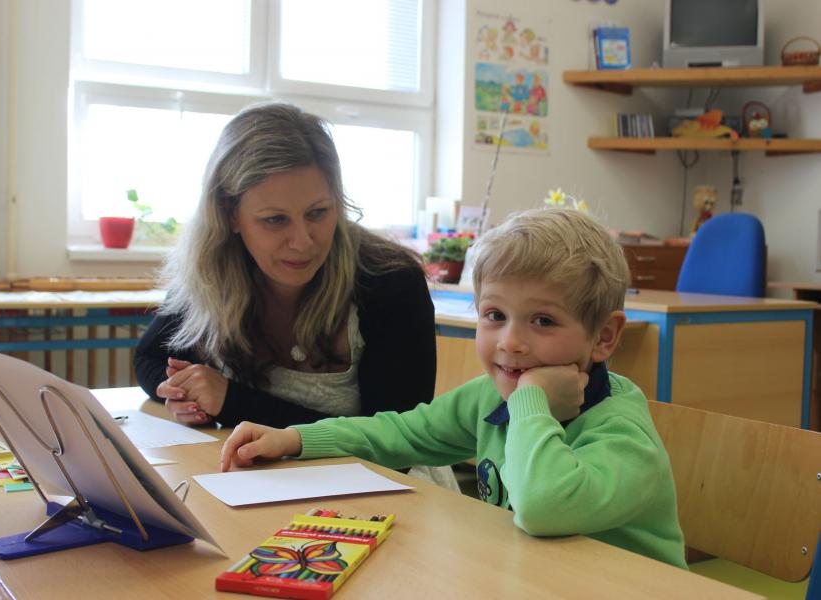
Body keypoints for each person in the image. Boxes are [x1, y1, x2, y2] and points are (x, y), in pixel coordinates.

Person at [218, 207, 688, 569]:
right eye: (494, 315)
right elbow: (400, 433)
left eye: (543, 321)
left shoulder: (621, 433)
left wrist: (531, 401)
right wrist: (295, 439)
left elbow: (543, 507)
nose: (510, 342)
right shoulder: (489, 397)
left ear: (604, 336)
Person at [134, 102, 437, 431]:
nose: (303, 242)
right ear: (229, 214)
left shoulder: (391, 281)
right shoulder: (212, 268)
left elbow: (396, 440)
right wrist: (186, 394)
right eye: (275, 220)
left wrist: (231, 402)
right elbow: (150, 359)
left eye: (318, 212)